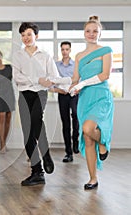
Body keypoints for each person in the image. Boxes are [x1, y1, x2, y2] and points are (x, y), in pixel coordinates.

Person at [52, 15, 114, 190]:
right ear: (84, 33)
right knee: (87, 138)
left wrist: (82, 84)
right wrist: (55, 81)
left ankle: (103, 143)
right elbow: (74, 79)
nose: (91, 34)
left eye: (95, 31)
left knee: (87, 128)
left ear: (100, 33)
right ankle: (93, 178)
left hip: (101, 97)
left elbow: (105, 75)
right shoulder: (79, 56)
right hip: (85, 99)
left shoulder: (106, 50)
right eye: (88, 31)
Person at [12, 22, 58, 186]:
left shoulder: (45, 55)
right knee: (27, 134)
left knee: (37, 121)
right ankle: (37, 172)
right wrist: (37, 79)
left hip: (40, 93)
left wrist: (48, 82)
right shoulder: (18, 55)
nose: (25, 38)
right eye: (23, 35)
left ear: (36, 36)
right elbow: (17, 77)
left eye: (29, 34)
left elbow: (53, 76)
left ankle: (46, 155)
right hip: (24, 93)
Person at [54, 41, 79, 163]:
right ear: (61, 50)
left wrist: (74, 88)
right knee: (66, 124)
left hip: (74, 94)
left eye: (67, 49)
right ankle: (68, 153)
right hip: (62, 95)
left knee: (75, 115)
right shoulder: (56, 65)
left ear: (70, 50)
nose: (65, 52)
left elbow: (79, 80)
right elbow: (52, 81)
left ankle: (76, 141)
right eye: (63, 49)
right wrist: (58, 90)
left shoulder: (75, 65)